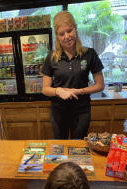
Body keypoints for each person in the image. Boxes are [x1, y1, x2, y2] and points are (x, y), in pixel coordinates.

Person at [41, 11, 105, 139]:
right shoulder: (52, 57)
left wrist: (80, 91)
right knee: (61, 146)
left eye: (69, 31)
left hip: (81, 110)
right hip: (58, 111)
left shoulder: (89, 54)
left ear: (75, 29)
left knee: (78, 147)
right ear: (57, 36)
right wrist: (58, 91)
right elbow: (45, 89)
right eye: (61, 34)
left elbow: (100, 85)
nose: (66, 36)